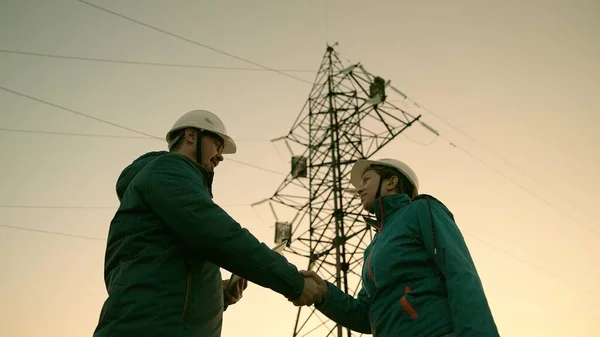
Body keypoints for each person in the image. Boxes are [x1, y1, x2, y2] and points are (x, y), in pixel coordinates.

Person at [93, 110, 321, 337]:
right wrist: (292, 281)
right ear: (191, 136)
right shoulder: (167, 171)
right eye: (217, 145)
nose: (220, 156)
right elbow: (221, 236)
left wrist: (216, 293)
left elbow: (166, 275)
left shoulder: (170, 181)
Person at [295, 158, 499, 337]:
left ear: (391, 182)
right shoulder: (372, 247)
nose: (359, 188)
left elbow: (459, 272)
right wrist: (325, 294)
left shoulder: (421, 209)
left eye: (366, 180)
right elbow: (367, 315)